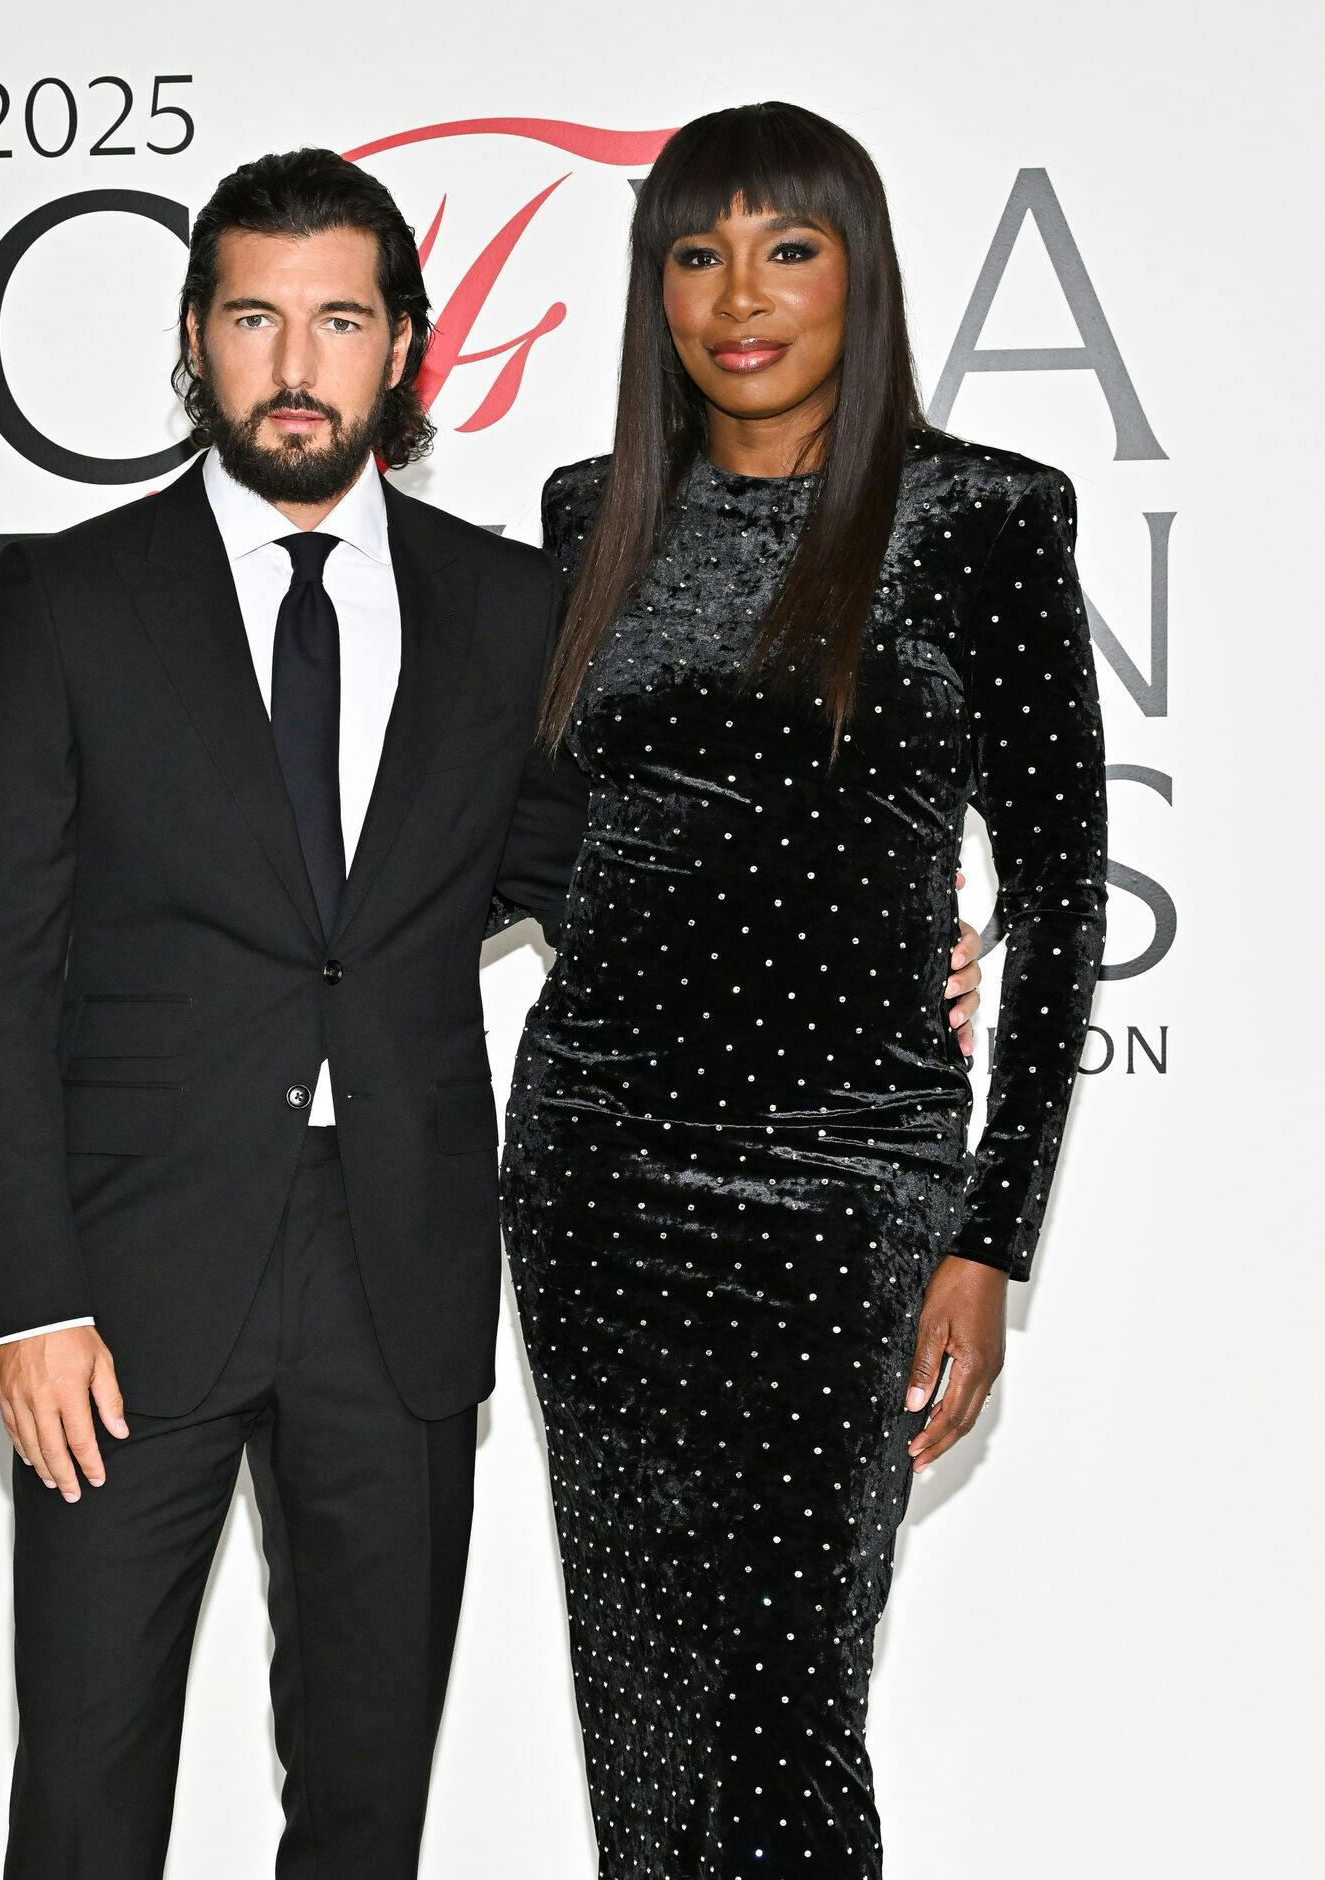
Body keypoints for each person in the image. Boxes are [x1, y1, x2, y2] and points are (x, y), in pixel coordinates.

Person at [0, 142, 984, 1879]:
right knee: (86, 1792)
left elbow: (624, 879)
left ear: (403, 346)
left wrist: (887, 953)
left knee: (367, 1804)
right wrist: (29, 1300)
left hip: (399, 1275)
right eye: (254, 318)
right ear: (195, 340)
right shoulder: (69, 606)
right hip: (126, 1293)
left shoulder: (511, 607)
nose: (294, 364)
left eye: (339, 319)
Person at [500, 100, 1107, 1878]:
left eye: (788, 249)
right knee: (648, 1701)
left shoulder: (981, 515)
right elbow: (530, 842)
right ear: (654, 288)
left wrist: (991, 1238)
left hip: (843, 1187)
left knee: (779, 1712)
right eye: (696, 254)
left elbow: (1061, 891)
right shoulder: (592, 514)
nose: (738, 297)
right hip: (598, 1166)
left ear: (863, 274)